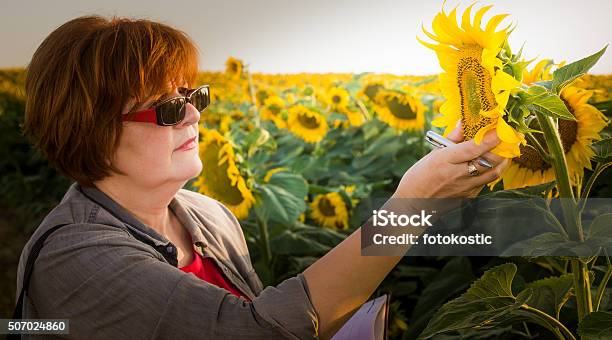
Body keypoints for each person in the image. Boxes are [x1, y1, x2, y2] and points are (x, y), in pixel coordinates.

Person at [16, 15, 509, 339]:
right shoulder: (74, 259)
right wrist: (412, 205)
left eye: (195, 96)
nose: (192, 117)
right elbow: (261, 332)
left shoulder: (209, 217)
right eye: (167, 109)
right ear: (91, 130)